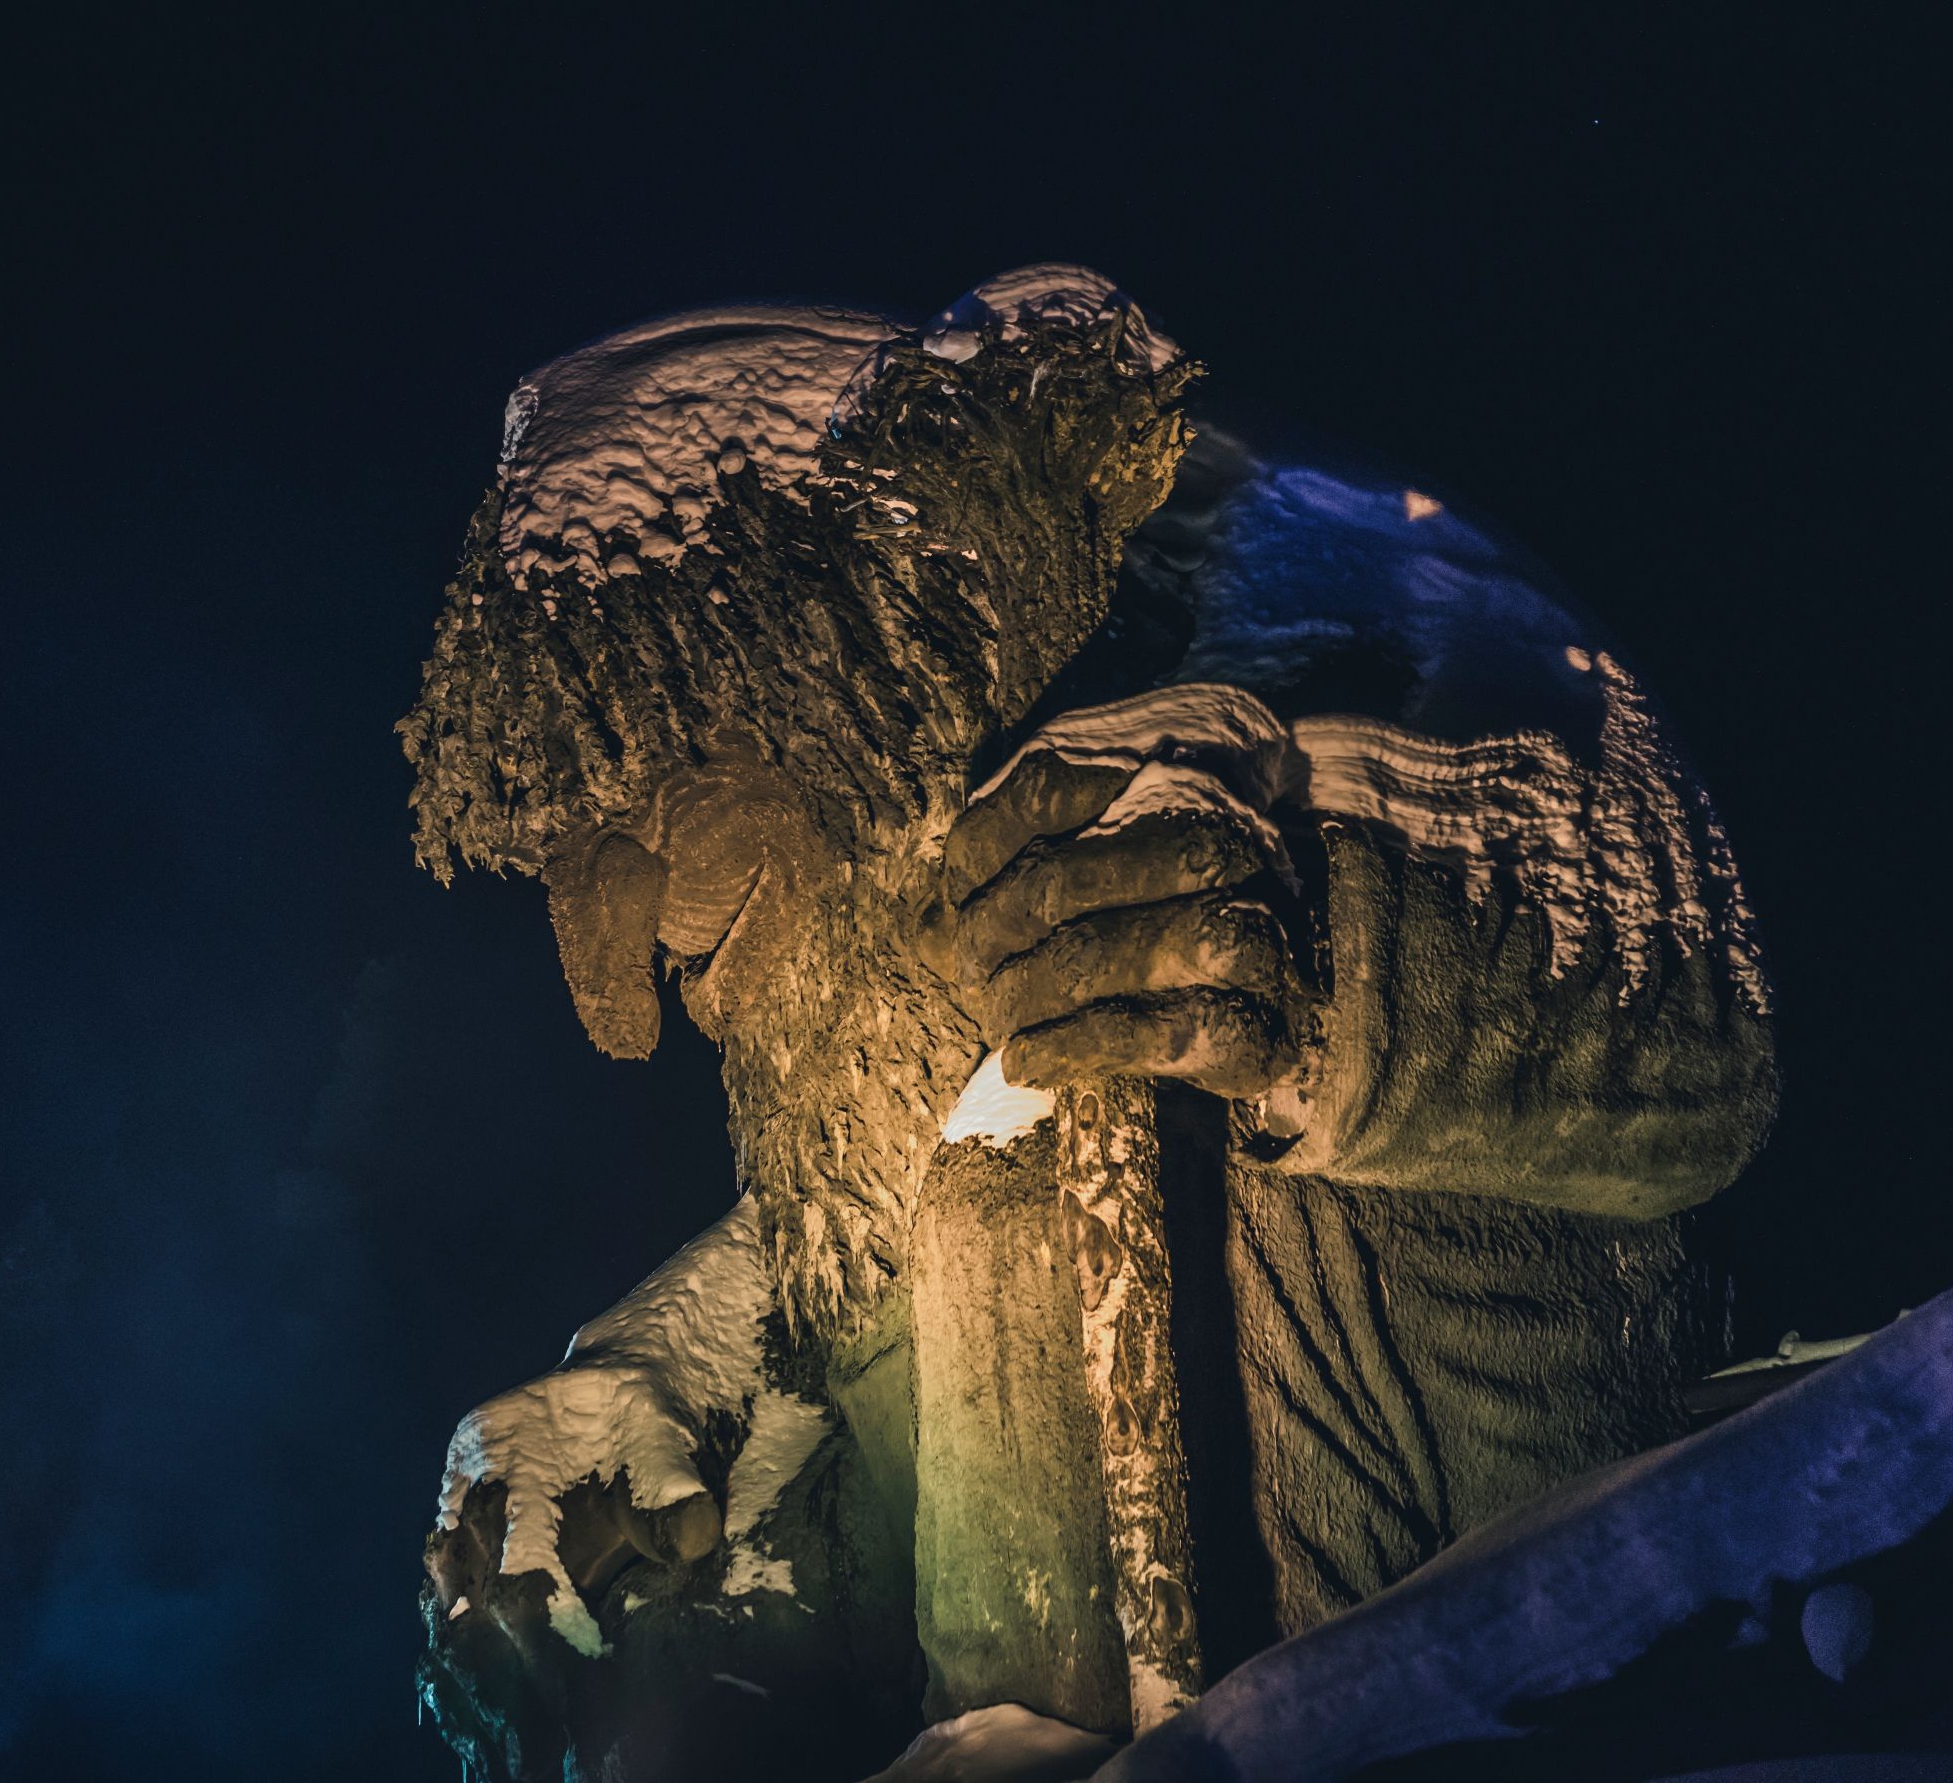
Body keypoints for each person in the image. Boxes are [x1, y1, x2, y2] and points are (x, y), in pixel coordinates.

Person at [402, 267, 1775, 1783]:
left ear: (846, 649)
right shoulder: (874, 1017)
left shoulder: (1309, 587)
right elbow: (869, 1258)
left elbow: (1677, 1013)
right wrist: (667, 1385)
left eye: (663, 759)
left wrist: (1314, 950)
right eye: (576, 818)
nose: (636, 946)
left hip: (1518, 1697)